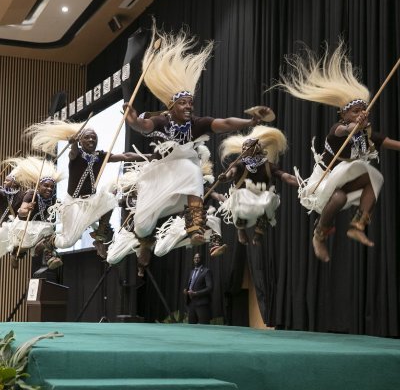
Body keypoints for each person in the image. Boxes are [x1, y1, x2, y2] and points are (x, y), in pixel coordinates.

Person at [124, 23, 274, 273]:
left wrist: (251, 121)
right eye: (183, 103)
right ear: (172, 106)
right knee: (142, 225)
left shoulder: (196, 123)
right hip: (160, 175)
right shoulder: (163, 119)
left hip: (183, 173)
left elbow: (224, 123)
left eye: (190, 103)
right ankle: (144, 245)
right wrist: (135, 123)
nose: (188, 107)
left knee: (191, 165)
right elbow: (146, 126)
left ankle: (195, 224)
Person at [275, 40, 400, 262]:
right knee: (340, 195)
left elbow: (393, 143)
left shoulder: (368, 135)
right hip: (324, 179)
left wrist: (361, 127)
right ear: (343, 115)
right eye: (355, 111)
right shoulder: (338, 130)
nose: (361, 113)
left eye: (363, 110)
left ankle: (358, 224)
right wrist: (354, 125)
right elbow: (347, 130)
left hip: (345, 178)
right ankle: (319, 234)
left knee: (374, 179)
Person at [25, 121, 147, 257]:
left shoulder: (100, 156)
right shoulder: (76, 155)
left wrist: (148, 157)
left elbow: (126, 156)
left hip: (91, 200)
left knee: (111, 196)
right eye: (87, 137)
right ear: (81, 141)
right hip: (74, 203)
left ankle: (99, 239)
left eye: (94, 137)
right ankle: (49, 242)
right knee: (68, 242)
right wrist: (73, 143)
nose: (91, 139)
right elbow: (73, 151)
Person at [218, 125, 298, 245]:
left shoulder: (267, 165)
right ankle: (240, 229)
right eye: (244, 148)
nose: (244, 150)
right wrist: (225, 177)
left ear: (256, 149)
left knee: (270, 199)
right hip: (241, 196)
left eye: (248, 148)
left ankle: (259, 232)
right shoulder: (239, 164)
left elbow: (284, 176)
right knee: (241, 194)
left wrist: (300, 183)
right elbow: (230, 174)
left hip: (260, 195)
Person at [6, 156, 63, 270]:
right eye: (46, 186)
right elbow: (21, 212)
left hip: (42, 226)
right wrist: (27, 209)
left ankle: (50, 257)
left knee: (49, 236)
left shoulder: (53, 200)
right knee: (24, 246)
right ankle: (15, 254)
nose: (49, 189)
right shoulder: (32, 194)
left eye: (52, 187)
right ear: (39, 186)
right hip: (25, 225)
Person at [183, 253, 213, 324]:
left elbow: (210, 288)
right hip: (191, 303)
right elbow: (191, 285)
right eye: (195, 258)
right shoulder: (192, 271)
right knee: (191, 326)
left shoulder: (206, 271)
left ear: (201, 259)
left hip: (202, 303)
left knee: (204, 326)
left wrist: (196, 293)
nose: (196, 259)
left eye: (198, 258)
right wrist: (186, 290)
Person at [0, 171, 24, 258]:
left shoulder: (22, 195)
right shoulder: (2, 193)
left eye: (7, 180)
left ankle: (16, 254)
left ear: (14, 183)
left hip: (15, 227)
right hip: (2, 227)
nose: (4, 182)